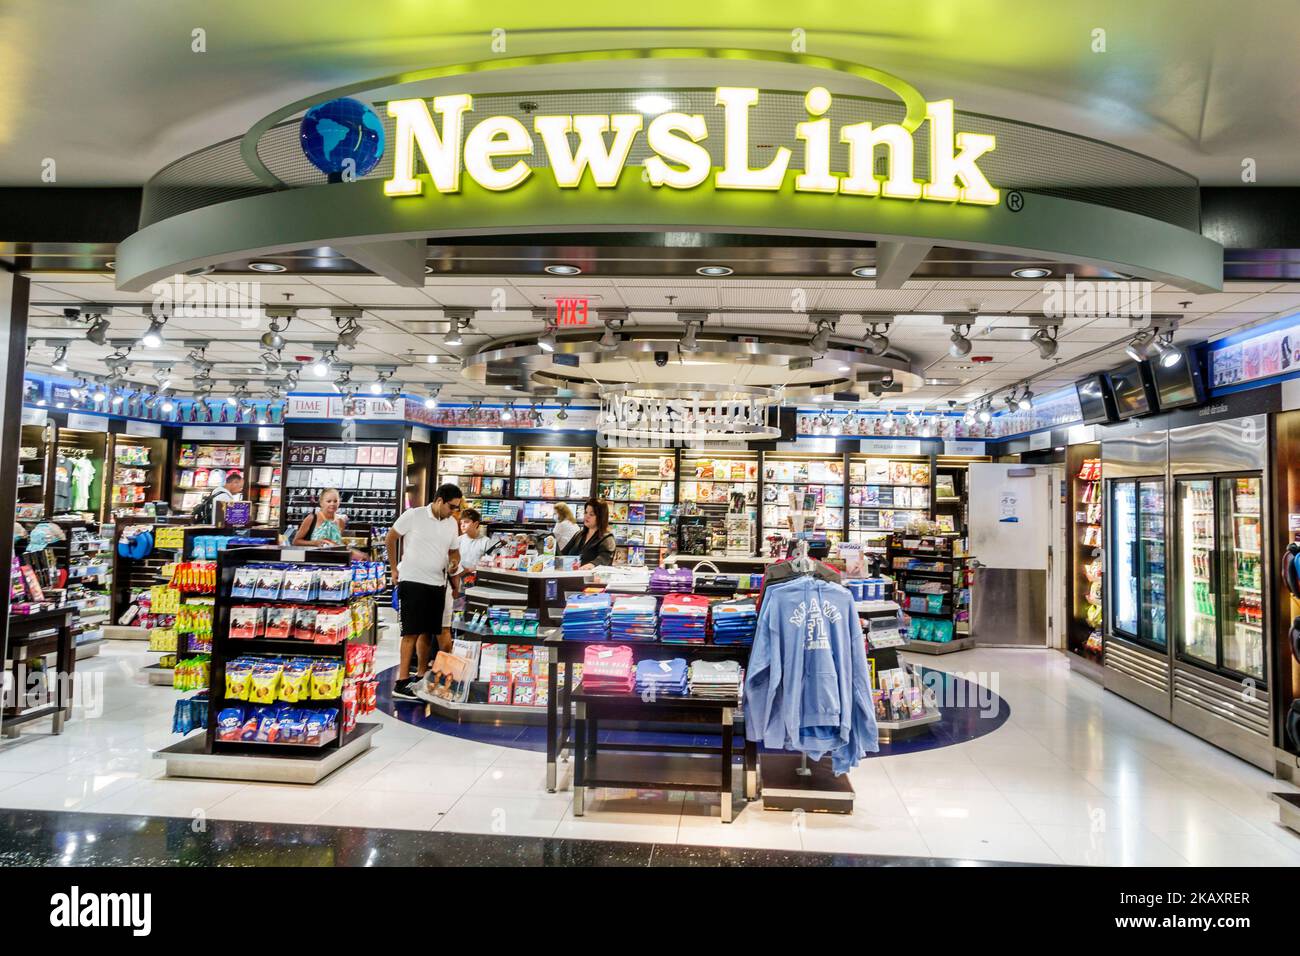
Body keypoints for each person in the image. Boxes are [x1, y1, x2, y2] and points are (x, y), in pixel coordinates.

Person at [386, 484, 462, 701]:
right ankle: (401, 682)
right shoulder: (414, 515)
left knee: (428, 632)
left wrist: (454, 562)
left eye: (457, 508)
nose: (454, 511)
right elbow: (391, 538)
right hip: (412, 581)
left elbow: (454, 551)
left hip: (437, 583)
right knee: (410, 633)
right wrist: (393, 568)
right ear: (439, 501)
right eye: (452, 507)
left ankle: (421, 676)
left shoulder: (451, 524)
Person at [558, 497, 616, 569]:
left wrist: (592, 565)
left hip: (590, 578)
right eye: (585, 512)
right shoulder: (579, 534)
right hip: (571, 577)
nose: (587, 516)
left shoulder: (607, 539)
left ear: (601, 517)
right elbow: (562, 554)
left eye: (591, 514)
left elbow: (604, 558)